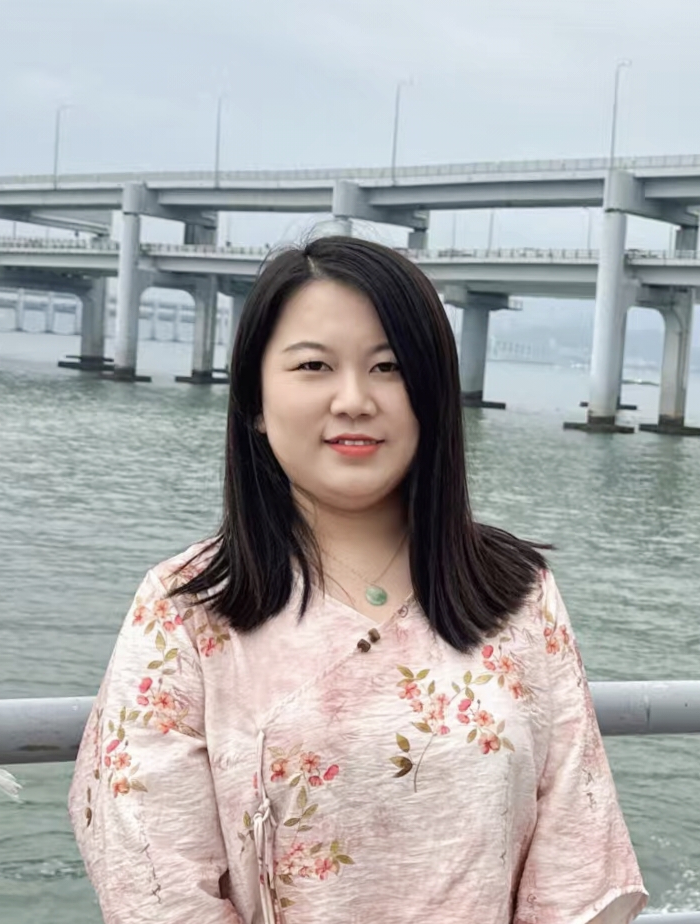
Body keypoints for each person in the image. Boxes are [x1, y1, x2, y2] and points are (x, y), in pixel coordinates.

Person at [68, 236, 648, 924]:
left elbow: (576, 853)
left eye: (389, 367)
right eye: (313, 365)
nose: (354, 400)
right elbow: (153, 881)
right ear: (256, 401)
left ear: (432, 393)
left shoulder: (517, 593)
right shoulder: (188, 608)